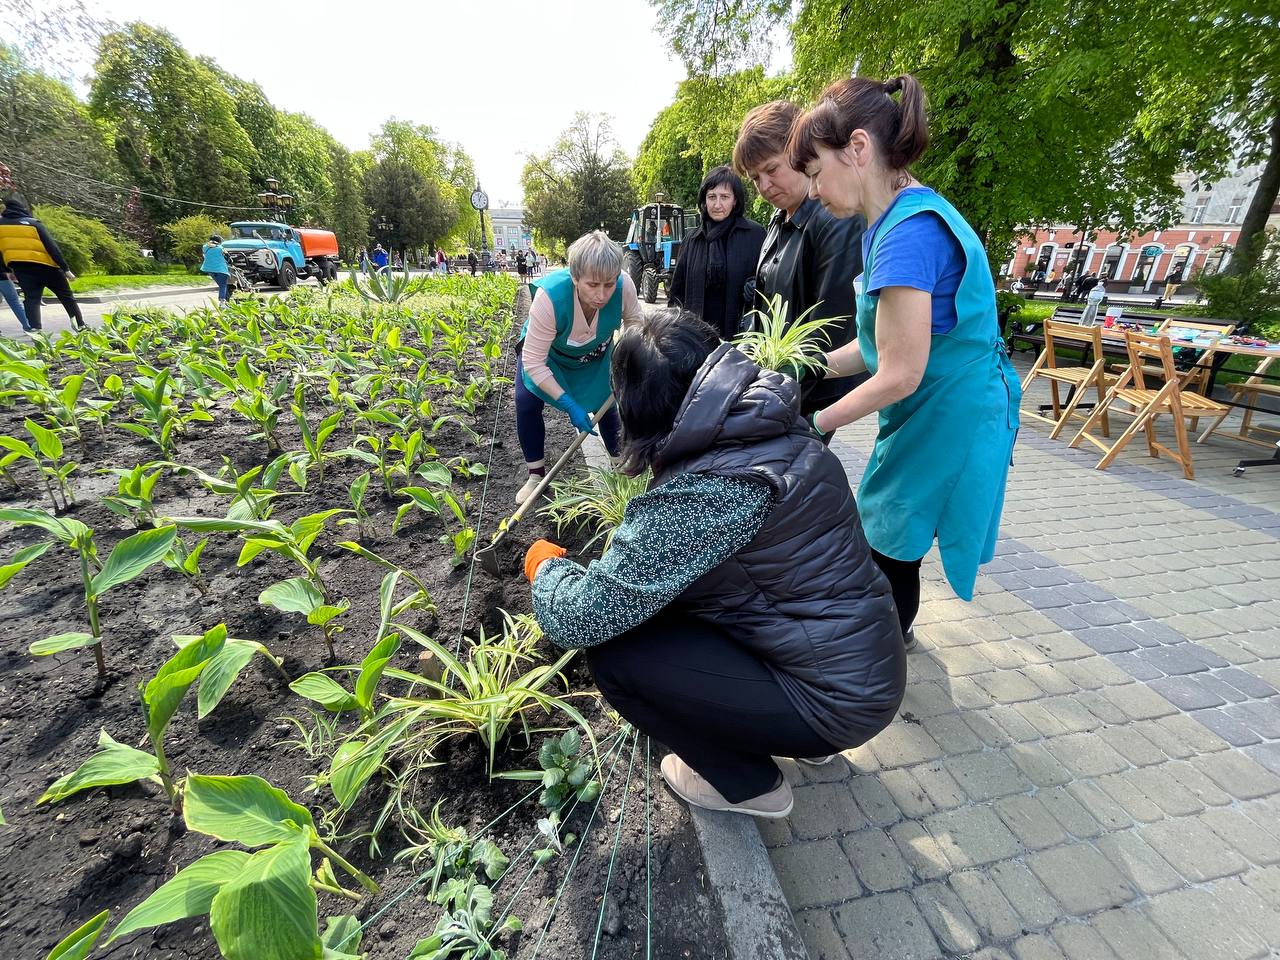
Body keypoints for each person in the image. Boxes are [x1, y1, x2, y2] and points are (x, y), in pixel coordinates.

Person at [525, 307, 905, 817]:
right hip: (862, 664)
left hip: (833, 697)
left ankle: (750, 784)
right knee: (670, 605)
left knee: (617, 656)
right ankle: (807, 740)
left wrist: (546, 570)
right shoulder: (771, 428)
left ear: (642, 411)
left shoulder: (711, 492)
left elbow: (583, 616)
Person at [787, 72, 1020, 645]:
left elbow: (898, 373)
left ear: (857, 148)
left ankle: (883, 656)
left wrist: (815, 422)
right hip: (928, 407)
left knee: (891, 539)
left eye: (815, 172)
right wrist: (803, 366)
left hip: (951, 412)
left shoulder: (909, 235)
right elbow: (877, 347)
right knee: (887, 527)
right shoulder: (890, 222)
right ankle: (885, 645)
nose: (812, 191)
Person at [734, 101, 866, 427]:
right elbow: (760, 309)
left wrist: (774, 394)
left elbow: (832, 325)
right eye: (755, 178)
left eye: (772, 169)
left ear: (798, 154)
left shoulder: (834, 219)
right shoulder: (778, 221)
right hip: (773, 384)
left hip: (811, 393)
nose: (764, 186)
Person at [516, 230, 642, 504]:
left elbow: (635, 323)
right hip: (550, 356)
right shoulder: (551, 298)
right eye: (592, 285)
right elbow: (534, 361)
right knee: (526, 401)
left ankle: (620, 466)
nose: (602, 295)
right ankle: (536, 475)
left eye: (609, 284)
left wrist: (630, 359)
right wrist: (568, 403)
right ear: (575, 277)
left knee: (606, 404)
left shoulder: (624, 286)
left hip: (595, 355)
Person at [667, 165, 765, 340]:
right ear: (704, 200)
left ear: (735, 200)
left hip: (741, 339)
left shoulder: (755, 235)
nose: (717, 205)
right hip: (697, 340)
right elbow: (677, 295)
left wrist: (754, 285)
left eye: (724, 197)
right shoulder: (692, 239)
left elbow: (770, 283)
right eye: (712, 197)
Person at [0, 198, 84, 332]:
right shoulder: (33, 223)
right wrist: (65, 269)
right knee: (66, 297)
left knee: (31, 299)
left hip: (22, 269)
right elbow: (52, 247)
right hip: (47, 267)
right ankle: (80, 325)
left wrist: (7, 270)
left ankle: (36, 329)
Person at [200, 234, 231, 305]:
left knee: (221, 285)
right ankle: (222, 302)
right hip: (221, 269)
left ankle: (228, 300)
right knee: (223, 285)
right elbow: (228, 257)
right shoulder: (221, 248)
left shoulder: (205, 247)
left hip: (210, 269)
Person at [0, 269, 31, 333]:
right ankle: (28, 326)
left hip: (3, 276)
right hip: (3, 277)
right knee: (15, 302)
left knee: (14, 302)